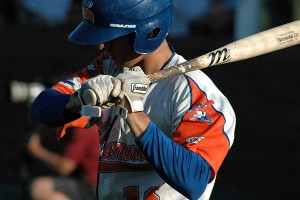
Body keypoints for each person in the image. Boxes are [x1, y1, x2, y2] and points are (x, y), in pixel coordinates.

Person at [30, 0, 236, 199]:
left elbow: (194, 180)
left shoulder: (198, 96)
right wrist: (78, 100)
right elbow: (41, 108)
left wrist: (134, 112)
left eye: (111, 36)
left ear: (149, 31)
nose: (102, 47)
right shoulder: (107, 68)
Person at [26, 124, 99, 200]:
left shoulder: (87, 129)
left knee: (39, 188)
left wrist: (37, 150)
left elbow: (65, 167)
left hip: (93, 188)